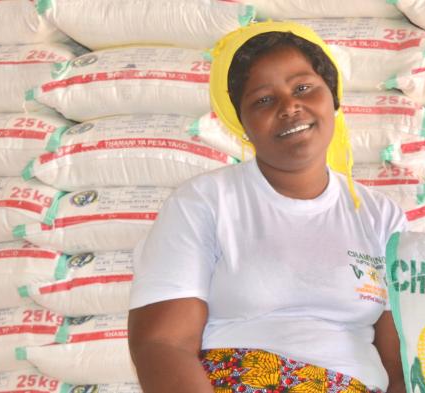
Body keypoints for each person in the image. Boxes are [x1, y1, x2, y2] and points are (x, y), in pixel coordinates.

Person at [128, 21, 407, 393]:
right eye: (263, 99)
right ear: (241, 123)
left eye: (304, 88)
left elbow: (399, 361)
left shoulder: (380, 217)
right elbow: (162, 344)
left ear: (333, 97)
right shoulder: (205, 203)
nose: (290, 106)